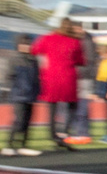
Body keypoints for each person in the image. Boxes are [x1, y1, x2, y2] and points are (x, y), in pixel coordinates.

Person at [32, 19, 87, 150]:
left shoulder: (48, 38)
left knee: (52, 108)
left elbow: (35, 50)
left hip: (51, 76)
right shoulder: (75, 42)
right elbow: (81, 61)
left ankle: (53, 135)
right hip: (68, 76)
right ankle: (65, 131)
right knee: (72, 106)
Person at [0, 33, 42, 156]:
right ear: (18, 45)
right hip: (19, 95)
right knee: (18, 121)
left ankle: (24, 145)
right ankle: (9, 145)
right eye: (23, 43)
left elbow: (37, 78)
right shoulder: (14, 59)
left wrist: (38, 91)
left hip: (31, 95)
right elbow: (9, 76)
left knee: (28, 121)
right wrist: (5, 90)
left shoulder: (34, 60)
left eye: (28, 43)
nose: (26, 46)